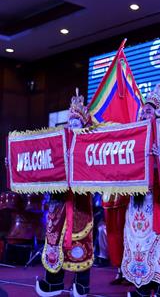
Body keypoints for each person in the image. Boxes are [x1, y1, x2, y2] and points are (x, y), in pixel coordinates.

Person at [36, 90, 94, 297]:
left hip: (79, 202)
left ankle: (82, 284)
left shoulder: (90, 147)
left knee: (81, 239)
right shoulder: (57, 144)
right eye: (69, 122)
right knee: (53, 240)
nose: (71, 126)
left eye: (76, 122)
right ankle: (53, 283)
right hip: (57, 202)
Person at [121, 83, 160, 297]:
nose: (144, 113)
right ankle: (142, 289)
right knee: (137, 245)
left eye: (149, 110)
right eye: (143, 110)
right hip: (137, 205)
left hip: (159, 201)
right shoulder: (132, 138)